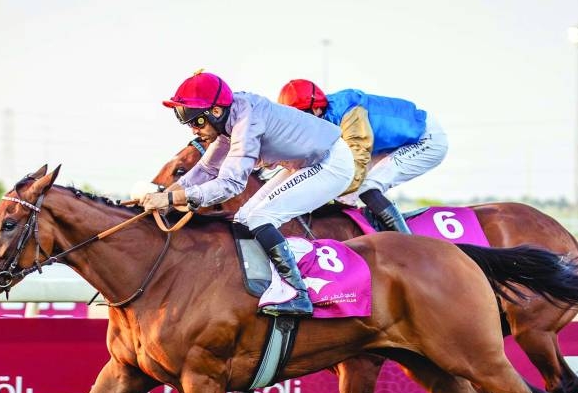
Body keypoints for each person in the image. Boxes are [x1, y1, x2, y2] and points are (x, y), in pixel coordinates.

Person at [141, 71, 355, 317]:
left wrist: (170, 200)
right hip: (307, 162)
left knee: (260, 218)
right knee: (243, 219)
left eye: (197, 121)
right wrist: (164, 197)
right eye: (187, 122)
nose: (193, 130)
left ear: (216, 112)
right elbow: (206, 169)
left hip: (331, 163)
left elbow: (230, 184)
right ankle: (263, 284)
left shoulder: (247, 123)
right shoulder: (230, 120)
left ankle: (298, 294)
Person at [277, 79, 448, 234]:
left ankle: (407, 244)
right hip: (386, 144)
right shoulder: (321, 117)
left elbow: (357, 159)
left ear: (316, 108)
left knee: (367, 186)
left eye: (302, 117)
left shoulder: (350, 113)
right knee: (344, 194)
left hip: (425, 138)